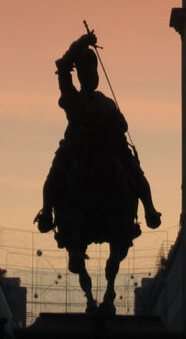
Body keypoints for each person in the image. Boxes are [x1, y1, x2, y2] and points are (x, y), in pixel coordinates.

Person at [35, 32, 160, 233]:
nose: (91, 75)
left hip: (111, 141)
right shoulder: (72, 96)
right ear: (80, 74)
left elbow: (124, 124)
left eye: (93, 71)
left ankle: (149, 209)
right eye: (86, 70)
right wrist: (82, 42)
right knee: (56, 171)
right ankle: (47, 211)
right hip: (78, 142)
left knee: (133, 169)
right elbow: (63, 66)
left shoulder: (106, 101)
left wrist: (114, 123)